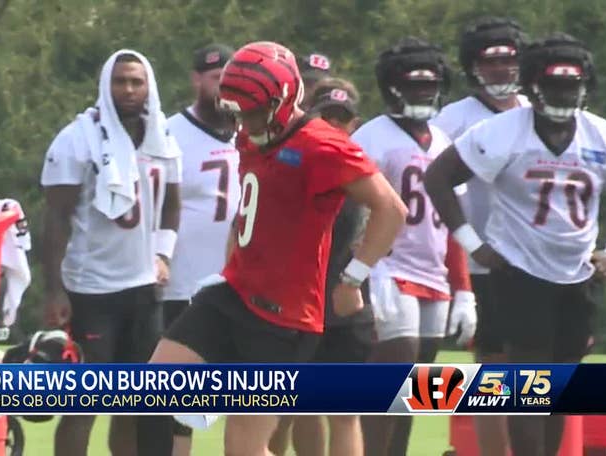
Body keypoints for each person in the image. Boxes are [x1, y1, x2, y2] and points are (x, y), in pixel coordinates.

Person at [138, 41, 407, 456]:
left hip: (283, 316)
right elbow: (249, 214)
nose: (244, 120)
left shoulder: (324, 145)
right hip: (234, 293)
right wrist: (229, 265)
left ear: (282, 100)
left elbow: (390, 208)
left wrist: (354, 276)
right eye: (238, 111)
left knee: (244, 448)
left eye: (252, 111)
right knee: (158, 386)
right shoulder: (250, 136)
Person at [425, 33, 606, 456]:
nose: (564, 94)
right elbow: (438, 177)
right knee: (527, 386)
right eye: (555, 85)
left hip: (578, 272)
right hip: (519, 271)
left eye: (571, 85)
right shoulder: (502, 131)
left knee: (561, 387)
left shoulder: (603, 135)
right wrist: (472, 244)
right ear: (534, 85)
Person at [40, 49, 182, 456]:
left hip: (143, 290)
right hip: (92, 291)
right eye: (120, 81)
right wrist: (54, 291)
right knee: (83, 404)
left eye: (137, 82)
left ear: (148, 86)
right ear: (106, 85)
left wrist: (164, 255)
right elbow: (55, 219)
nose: (129, 89)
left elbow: (172, 203)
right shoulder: (78, 138)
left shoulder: (162, 135)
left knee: (136, 405)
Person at [348, 37, 476, 456]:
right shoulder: (372, 136)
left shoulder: (442, 140)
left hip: (433, 270)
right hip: (389, 269)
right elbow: (353, 213)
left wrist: (464, 288)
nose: (424, 93)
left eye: (429, 85)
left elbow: (449, 220)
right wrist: (366, 269)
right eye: (414, 85)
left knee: (417, 388)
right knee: (390, 376)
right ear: (392, 87)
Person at [429, 16, 529, 456]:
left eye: (510, 60)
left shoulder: (534, 110)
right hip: (479, 259)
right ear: (473, 67)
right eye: (492, 62)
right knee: (492, 373)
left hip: (532, 261)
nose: (503, 70)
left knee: (534, 374)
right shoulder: (453, 119)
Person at [268, 78, 370, 456]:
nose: (332, 125)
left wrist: (357, 278)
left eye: (340, 119)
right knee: (282, 409)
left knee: (345, 413)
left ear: (354, 124)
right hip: (291, 306)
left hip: (342, 306)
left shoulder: (362, 171)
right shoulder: (284, 162)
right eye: (325, 116)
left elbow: (389, 218)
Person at [161, 43, 239, 456]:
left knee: (252, 398)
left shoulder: (254, 130)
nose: (224, 86)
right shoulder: (170, 132)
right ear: (196, 79)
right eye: (215, 77)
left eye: (231, 77)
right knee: (180, 400)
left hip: (242, 285)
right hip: (184, 282)